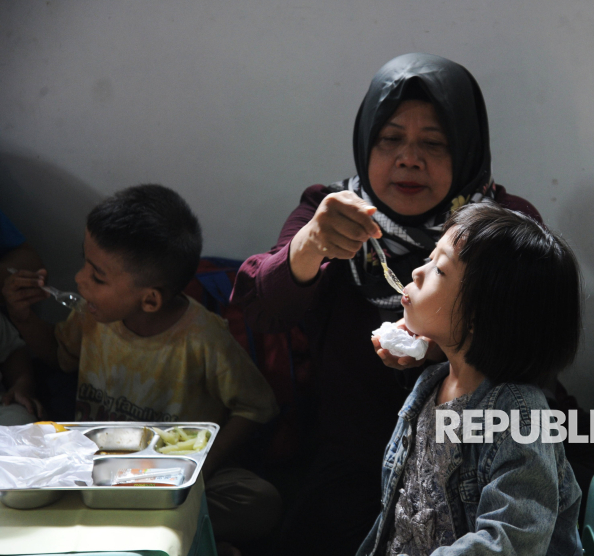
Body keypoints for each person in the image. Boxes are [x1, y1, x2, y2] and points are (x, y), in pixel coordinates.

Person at [231, 53, 544, 555]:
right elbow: (262, 309)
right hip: (352, 461)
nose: (408, 158)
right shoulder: (330, 211)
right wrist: (311, 245)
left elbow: (533, 344)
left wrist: (447, 352)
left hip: (473, 457)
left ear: (466, 149)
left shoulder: (499, 230)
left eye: (435, 143)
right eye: (390, 138)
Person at [2, 184, 280, 556]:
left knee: (260, 501)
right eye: (84, 263)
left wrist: (202, 470)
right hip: (92, 469)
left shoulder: (204, 338)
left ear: (149, 299)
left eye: (97, 276)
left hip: (168, 477)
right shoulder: (92, 315)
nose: (80, 280)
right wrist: (24, 319)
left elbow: (256, 407)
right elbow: (57, 357)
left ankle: (180, 529)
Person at [360, 202, 583, 556]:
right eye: (430, 259)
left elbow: (510, 540)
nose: (417, 273)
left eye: (439, 270)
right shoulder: (432, 382)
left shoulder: (520, 417)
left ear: (483, 313)